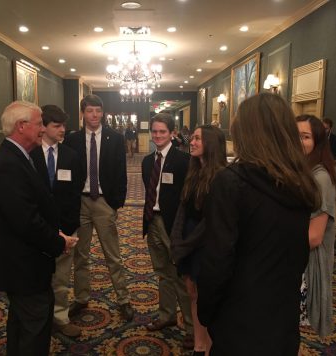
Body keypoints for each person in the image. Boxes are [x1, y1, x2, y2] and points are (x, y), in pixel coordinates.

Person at [197, 93, 321, 356]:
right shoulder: (301, 182)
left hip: (239, 317)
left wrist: (206, 314)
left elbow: (217, 262)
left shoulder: (230, 183)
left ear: (244, 132)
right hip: (283, 315)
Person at [0, 101, 78, 356]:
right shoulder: (9, 165)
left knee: (21, 325)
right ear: (21, 126)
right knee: (35, 330)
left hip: (23, 263)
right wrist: (58, 242)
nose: (42, 129)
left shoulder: (16, 157)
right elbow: (26, 222)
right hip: (23, 266)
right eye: (39, 124)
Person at [63, 94, 134, 321]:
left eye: (98, 110)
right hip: (80, 202)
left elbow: (121, 173)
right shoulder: (72, 140)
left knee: (112, 255)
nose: (94, 115)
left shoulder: (114, 138)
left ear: (102, 113)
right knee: (80, 256)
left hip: (105, 203)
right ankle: (81, 298)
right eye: (90, 110)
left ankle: (123, 300)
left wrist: (116, 204)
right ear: (83, 113)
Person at [171, 125, 227, 355]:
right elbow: (182, 209)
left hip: (206, 245)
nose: (190, 142)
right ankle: (199, 344)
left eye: (196, 139)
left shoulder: (222, 176)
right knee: (192, 295)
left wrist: (184, 245)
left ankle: (211, 347)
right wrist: (176, 240)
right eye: (192, 138)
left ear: (211, 144)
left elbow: (211, 223)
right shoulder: (193, 171)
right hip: (188, 241)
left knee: (207, 299)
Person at [142, 112, 194, 350]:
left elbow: (189, 198)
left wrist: (182, 231)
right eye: (154, 131)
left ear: (172, 133)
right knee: (162, 272)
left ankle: (192, 327)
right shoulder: (146, 161)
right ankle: (166, 315)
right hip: (152, 221)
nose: (158, 135)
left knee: (181, 276)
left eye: (163, 131)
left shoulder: (184, 161)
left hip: (174, 225)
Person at [30, 105, 82, 337]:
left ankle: (60, 318)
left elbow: (75, 192)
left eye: (64, 125)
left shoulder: (71, 155)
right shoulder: (29, 154)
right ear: (44, 127)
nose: (63, 130)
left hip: (65, 227)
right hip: (37, 230)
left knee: (61, 278)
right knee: (38, 279)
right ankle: (40, 320)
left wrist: (67, 227)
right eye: (57, 126)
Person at [296, 114, 336, 338]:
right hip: (294, 257)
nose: (297, 141)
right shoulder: (302, 171)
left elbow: (314, 237)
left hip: (306, 262)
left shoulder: (320, 177)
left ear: (318, 142)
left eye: (304, 136)